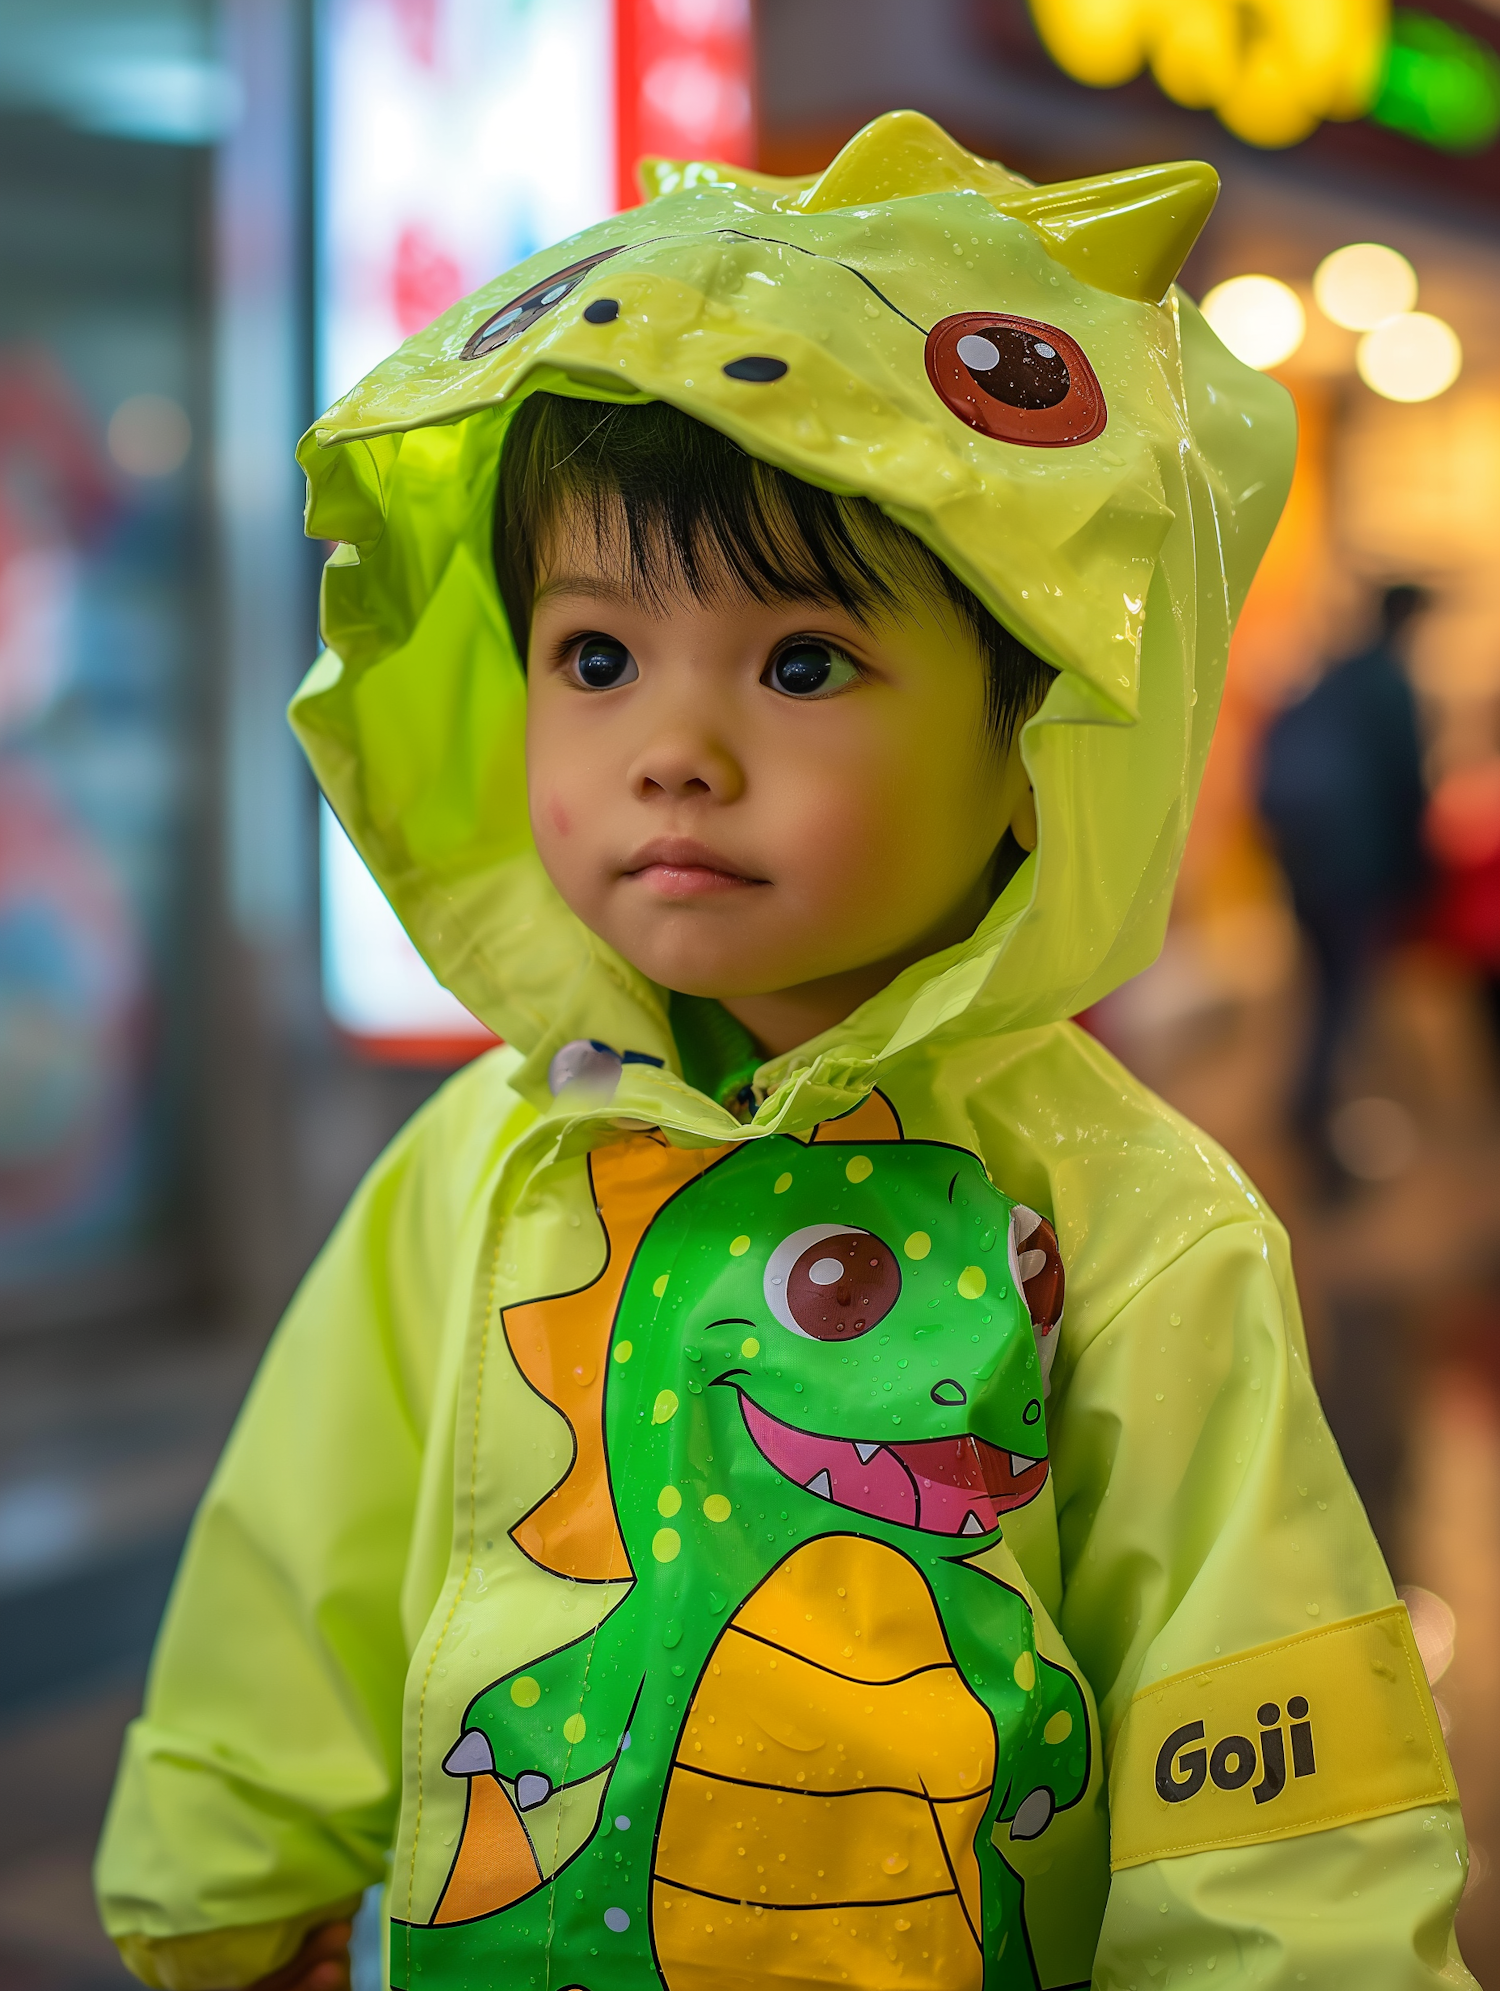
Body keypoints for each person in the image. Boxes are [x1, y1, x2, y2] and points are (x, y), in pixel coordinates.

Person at [96, 112, 1472, 1991]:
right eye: (595, 656)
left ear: (1030, 749)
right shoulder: (491, 1159)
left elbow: (1253, 1741)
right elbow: (301, 1559)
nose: (675, 747)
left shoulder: (1131, 1218)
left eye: (802, 662)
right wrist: (230, 1893)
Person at [1258, 585, 1430, 1182]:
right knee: (1343, 995)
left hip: (1307, 861)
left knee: (1325, 986)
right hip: (1356, 867)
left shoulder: (1336, 675)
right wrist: (1414, 872)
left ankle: (1310, 1103)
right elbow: (1407, 784)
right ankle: (1320, 1118)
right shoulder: (1391, 684)